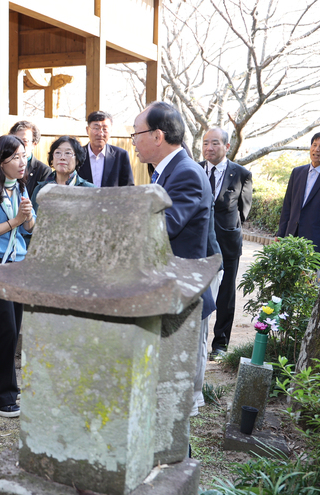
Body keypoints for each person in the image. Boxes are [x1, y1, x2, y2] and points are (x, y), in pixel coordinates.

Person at [132, 102, 216, 418]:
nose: (134, 141)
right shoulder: (166, 171)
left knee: (178, 397)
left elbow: (164, 229)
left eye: (136, 134)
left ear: (157, 135)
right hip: (169, 289)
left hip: (184, 290)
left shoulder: (186, 174)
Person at [0, 135, 36, 418]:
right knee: (4, 329)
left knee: (13, 330)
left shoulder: (21, 187)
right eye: (15, 157)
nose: (22, 162)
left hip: (18, 265)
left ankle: (6, 392)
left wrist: (27, 217)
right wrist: (14, 221)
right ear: (0, 162)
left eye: (24, 155)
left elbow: (29, 229)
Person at [200, 128, 253, 358]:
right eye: (205, 143)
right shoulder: (194, 170)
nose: (208, 148)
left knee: (225, 294)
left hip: (227, 244)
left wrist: (226, 228)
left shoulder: (241, 174)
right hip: (198, 242)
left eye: (214, 143)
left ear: (227, 146)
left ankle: (220, 344)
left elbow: (244, 211)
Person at [277, 132, 320, 277]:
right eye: (314, 145)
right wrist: (281, 234)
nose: (316, 150)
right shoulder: (297, 172)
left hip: (315, 242)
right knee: (286, 282)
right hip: (291, 237)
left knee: (309, 285)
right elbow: (288, 206)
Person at [31, 136, 94, 210]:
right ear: (52, 159)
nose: (62, 157)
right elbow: (32, 219)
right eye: (58, 152)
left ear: (77, 160)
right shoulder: (40, 189)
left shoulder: (90, 190)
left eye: (68, 153)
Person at [78, 110, 134, 187]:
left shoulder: (120, 156)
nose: (100, 133)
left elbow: (128, 187)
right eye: (96, 128)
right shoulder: (77, 155)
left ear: (111, 131)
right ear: (87, 130)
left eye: (105, 129)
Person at [9, 121, 52, 198]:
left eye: (24, 141)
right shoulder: (4, 165)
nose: (19, 145)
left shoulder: (43, 171)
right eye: (16, 140)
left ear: (34, 144)